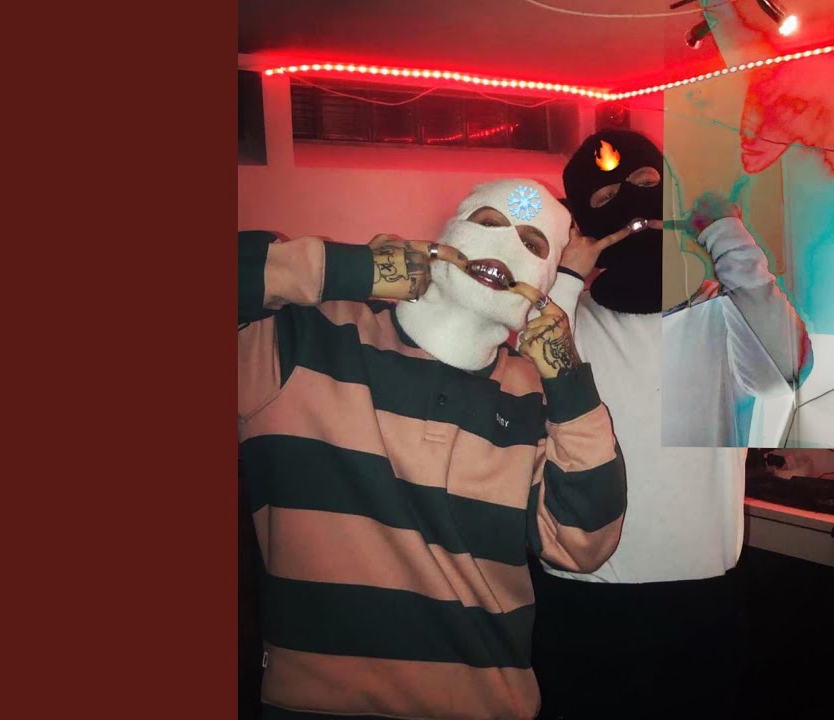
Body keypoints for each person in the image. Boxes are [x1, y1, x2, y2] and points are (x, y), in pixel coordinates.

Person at [238, 178, 627, 720]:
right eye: (489, 222)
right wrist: (353, 268)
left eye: (533, 243)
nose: (507, 243)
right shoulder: (300, 340)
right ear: (450, 233)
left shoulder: (534, 395)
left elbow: (583, 543)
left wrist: (568, 380)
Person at [530, 130, 812, 719]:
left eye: (646, 184)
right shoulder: (565, 322)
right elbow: (525, 374)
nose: (633, 204)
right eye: (608, 199)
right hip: (585, 607)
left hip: (704, 609)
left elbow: (789, 361)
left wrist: (726, 231)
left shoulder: (719, 315)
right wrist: (566, 274)